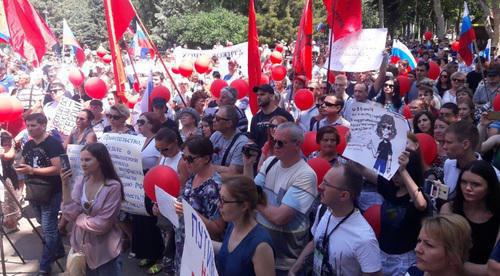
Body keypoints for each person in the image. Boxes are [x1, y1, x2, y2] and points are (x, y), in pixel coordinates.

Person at [244, 122, 317, 275]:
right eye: (272, 141)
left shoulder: (305, 175)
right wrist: (248, 165)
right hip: (259, 251)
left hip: (284, 261)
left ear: (297, 144)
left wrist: (254, 201)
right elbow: (248, 191)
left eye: (280, 143)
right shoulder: (270, 162)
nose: (274, 146)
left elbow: (280, 217)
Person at [290, 163, 382, 275]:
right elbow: (315, 241)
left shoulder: (364, 239)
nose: (320, 186)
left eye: (326, 184)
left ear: (344, 195)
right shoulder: (323, 210)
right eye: (323, 180)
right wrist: (294, 269)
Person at [356, 150, 429, 275]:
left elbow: (421, 204)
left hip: (404, 261)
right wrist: (353, 146)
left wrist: (403, 170)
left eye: (398, 173)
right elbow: (360, 168)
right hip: (382, 255)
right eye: (393, 172)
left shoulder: (418, 196)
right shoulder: (390, 188)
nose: (395, 176)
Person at [61, 143, 123, 275]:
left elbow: (102, 225)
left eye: (88, 160)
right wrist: (65, 185)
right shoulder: (82, 180)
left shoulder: (113, 187)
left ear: (100, 161)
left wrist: (78, 217)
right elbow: (68, 211)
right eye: (81, 160)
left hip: (104, 253)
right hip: (80, 248)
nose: (83, 163)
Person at [15, 113, 65, 275]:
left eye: (33, 125)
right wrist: (19, 164)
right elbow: (23, 161)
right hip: (33, 190)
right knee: (43, 223)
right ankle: (58, 250)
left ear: (43, 125)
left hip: (51, 191)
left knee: (48, 229)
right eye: (28, 126)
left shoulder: (53, 144)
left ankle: (45, 265)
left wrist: (32, 170)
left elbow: (58, 169)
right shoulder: (29, 144)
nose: (29, 129)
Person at [173, 136, 225, 271]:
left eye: (190, 159)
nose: (186, 163)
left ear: (206, 159)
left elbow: (218, 228)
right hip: (184, 245)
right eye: (184, 158)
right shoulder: (194, 175)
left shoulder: (214, 187)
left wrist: (190, 212)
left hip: (200, 253)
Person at [441, 160, 500, 275]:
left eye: (476, 184)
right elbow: (441, 252)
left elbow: (494, 268)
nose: (468, 188)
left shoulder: (497, 216)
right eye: (463, 182)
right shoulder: (449, 209)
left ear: (489, 187)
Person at [215, 176, 275, 276]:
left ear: (244, 206)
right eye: (219, 198)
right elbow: (231, 252)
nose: (218, 204)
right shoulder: (232, 225)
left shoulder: (261, 246)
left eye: (224, 201)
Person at [133, 112, 165, 274]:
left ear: (151, 124)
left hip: (151, 183)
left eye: (142, 121)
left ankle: (160, 258)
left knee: (153, 223)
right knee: (142, 220)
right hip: (139, 183)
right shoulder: (140, 139)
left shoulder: (156, 142)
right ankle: (148, 253)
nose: (138, 124)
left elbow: (160, 162)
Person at [210, 105, 248, 178]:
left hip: (229, 185)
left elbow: (234, 172)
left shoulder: (242, 142)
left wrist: (209, 168)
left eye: (217, 118)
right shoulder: (216, 135)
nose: (213, 120)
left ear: (229, 123)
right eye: (214, 116)